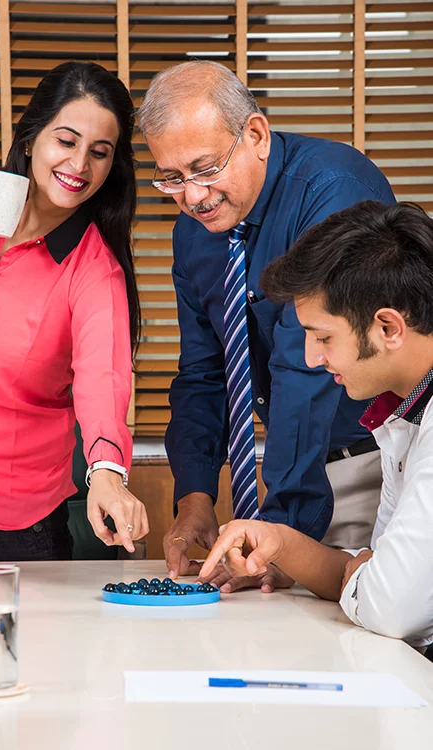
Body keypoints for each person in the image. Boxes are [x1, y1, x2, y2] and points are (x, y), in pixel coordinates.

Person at [137, 60, 395, 591]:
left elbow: (305, 367)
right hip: (286, 474)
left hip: (366, 470)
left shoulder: (332, 188)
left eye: (205, 168)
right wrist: (196, 498)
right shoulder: (195, 233)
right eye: (171, 177)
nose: (192, 196)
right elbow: (204, 372)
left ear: (255, 133)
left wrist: (282, 532)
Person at [0, 61, 149, 562]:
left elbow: (103, 377)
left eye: (100, 152)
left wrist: (108, 476)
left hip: (6, 529)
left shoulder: (95, 270)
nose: (79, 165)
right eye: (66, 141)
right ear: (31, 139)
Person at [201, 201, 433, 648]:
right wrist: (281, 544)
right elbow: (379, 575)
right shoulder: (403, 411)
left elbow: (391, 609)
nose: (312, 358)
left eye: (324, 337)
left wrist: (367, 574)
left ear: (388, 328)